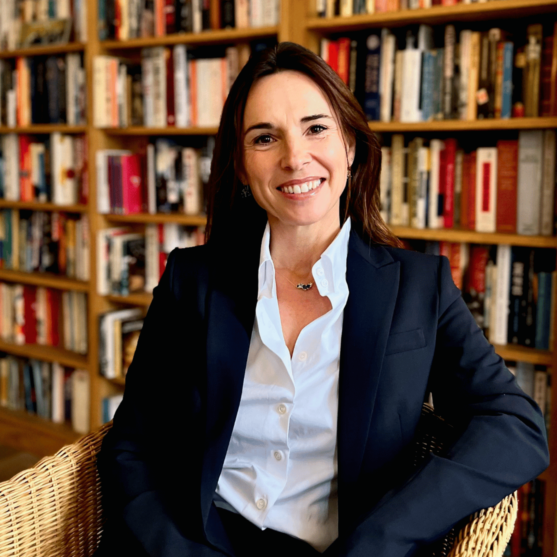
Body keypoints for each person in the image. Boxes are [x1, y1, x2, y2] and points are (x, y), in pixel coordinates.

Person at [94, 42, 549, 557]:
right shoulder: (191, 279)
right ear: (241, 167)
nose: (295, 158)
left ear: (350, 146)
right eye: (265, 138)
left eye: (316, 128)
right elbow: (132, 445)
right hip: (197, 539)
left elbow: (515, 425)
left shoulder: (421, 287)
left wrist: (383, 535)